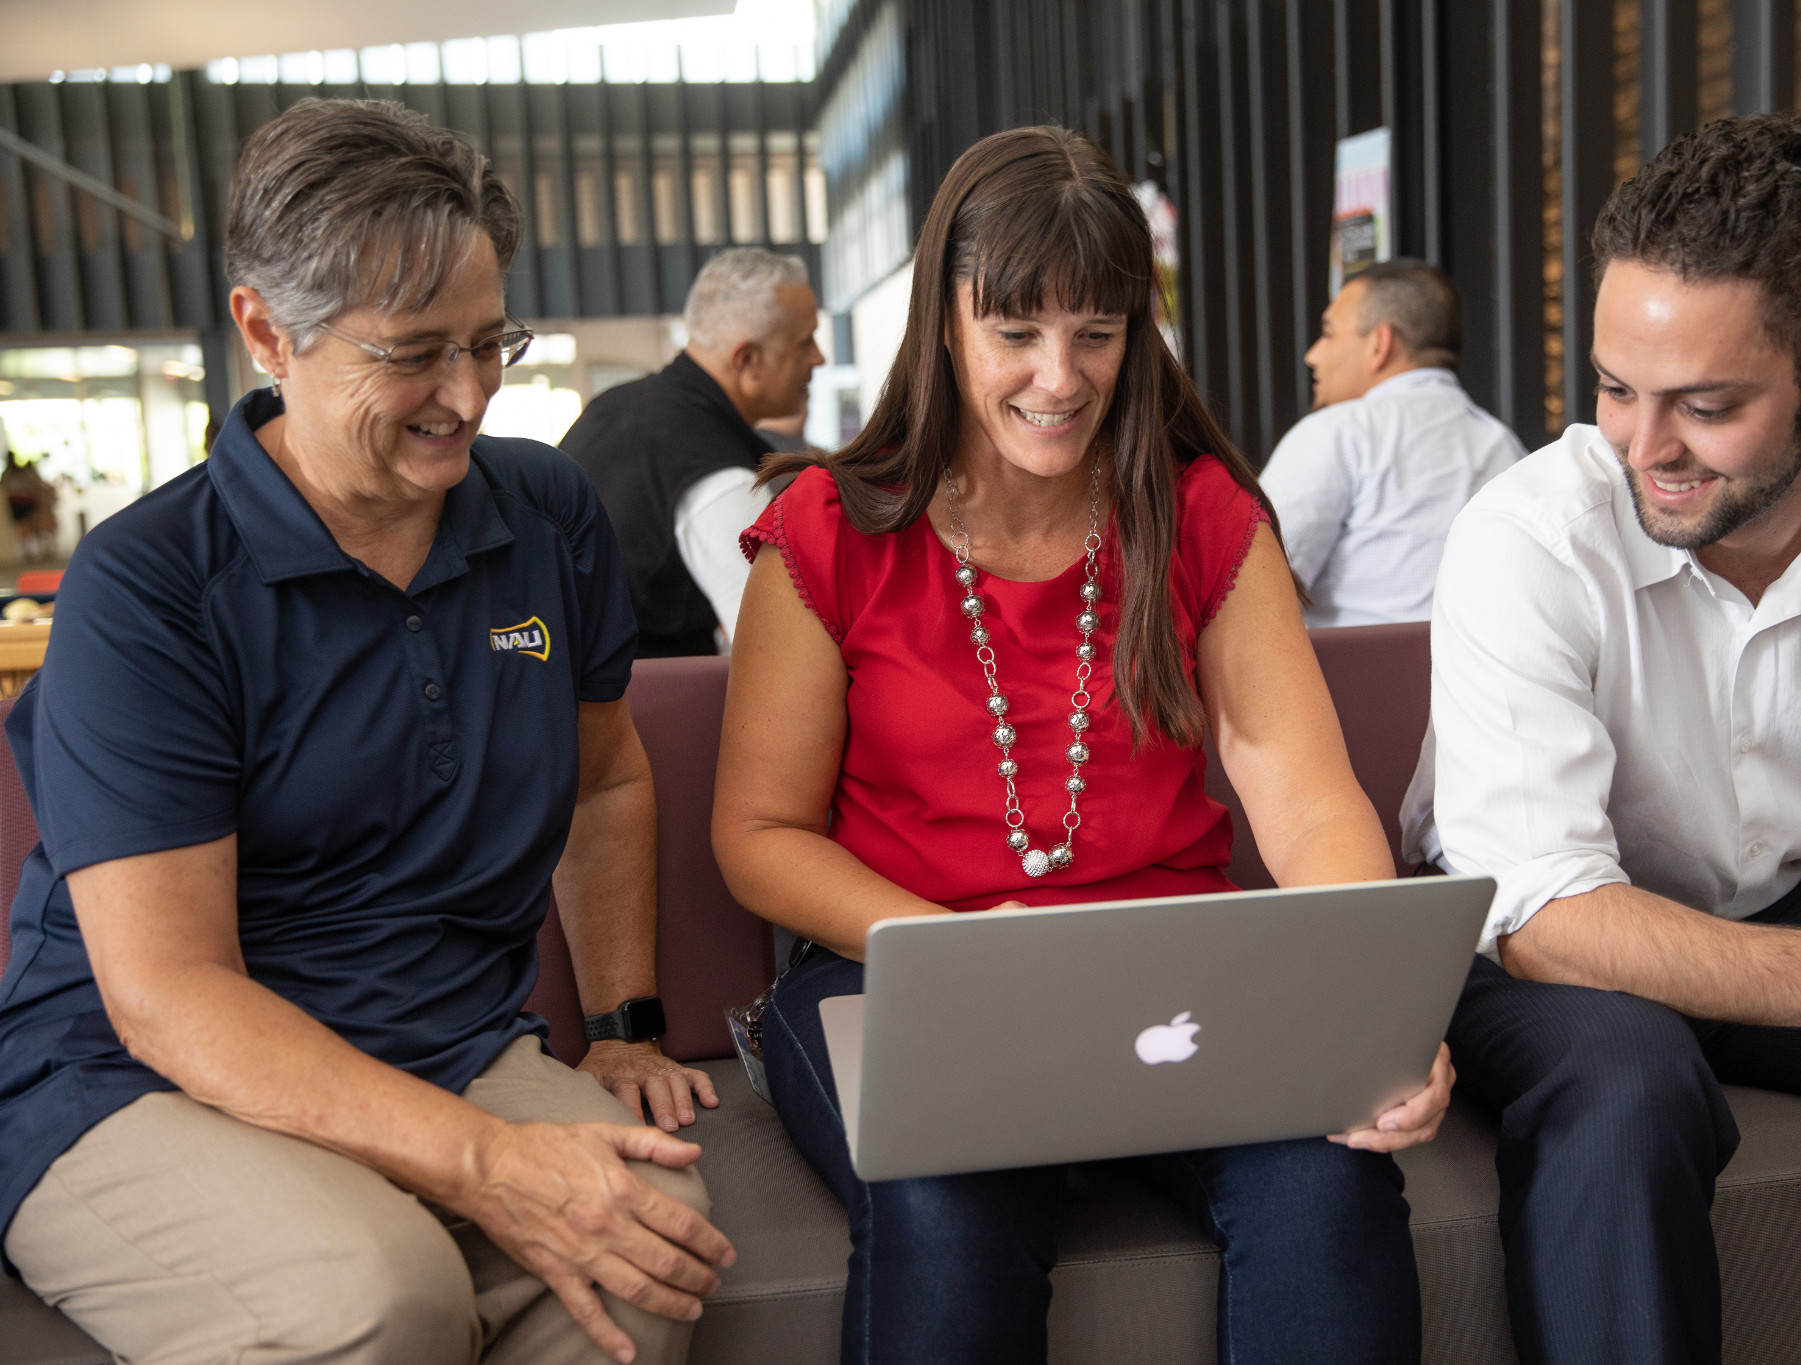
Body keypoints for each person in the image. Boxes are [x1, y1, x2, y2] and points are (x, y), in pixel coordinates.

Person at [0, 99, 734, 1365]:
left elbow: (605, 780)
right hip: (138, 1080)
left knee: (647, 1240)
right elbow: (169, 999)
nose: (467, 395)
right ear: (264, 333)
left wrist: (621, 1032)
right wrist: (486, 1163)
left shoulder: (545, 509)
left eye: (488, 341)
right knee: (379, 1294)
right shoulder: (149, 588)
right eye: (410, 354)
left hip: (440, 1038)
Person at [711, 124, 1454, 1365]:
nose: (1059, 378)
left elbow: (1309, 802)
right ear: (944, 323)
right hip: (901, 963)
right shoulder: (827, 528)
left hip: (1165, 966)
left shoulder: (1203, 512)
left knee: (1329, 1186)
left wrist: (1364, 1019)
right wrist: (960, 959)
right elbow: (756, 836)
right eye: (1015, 333)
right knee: (945, 1200)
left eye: (1096, 335)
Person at [1402, 112, 1801, 1362]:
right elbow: (1547, 912)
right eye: (1611, 388)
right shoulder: (1526, 537)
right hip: (1522, 943)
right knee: (1628, 1085)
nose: (1641, 450)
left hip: (1779, 907)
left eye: (1704, 406)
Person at [562, 247, 824, 656]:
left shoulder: (613, 407)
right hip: (650, 709)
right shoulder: (714, 470)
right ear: (748, 360)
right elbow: (778, 654)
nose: (819, 358)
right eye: (805, 343)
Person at [1259, 260, 1523, 626]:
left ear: (1379, 344)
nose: (1313, 355)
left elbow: (1248, 588)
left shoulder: (1339, 432)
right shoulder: (1505, 448)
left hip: (1352, 681)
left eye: (1329, 333)